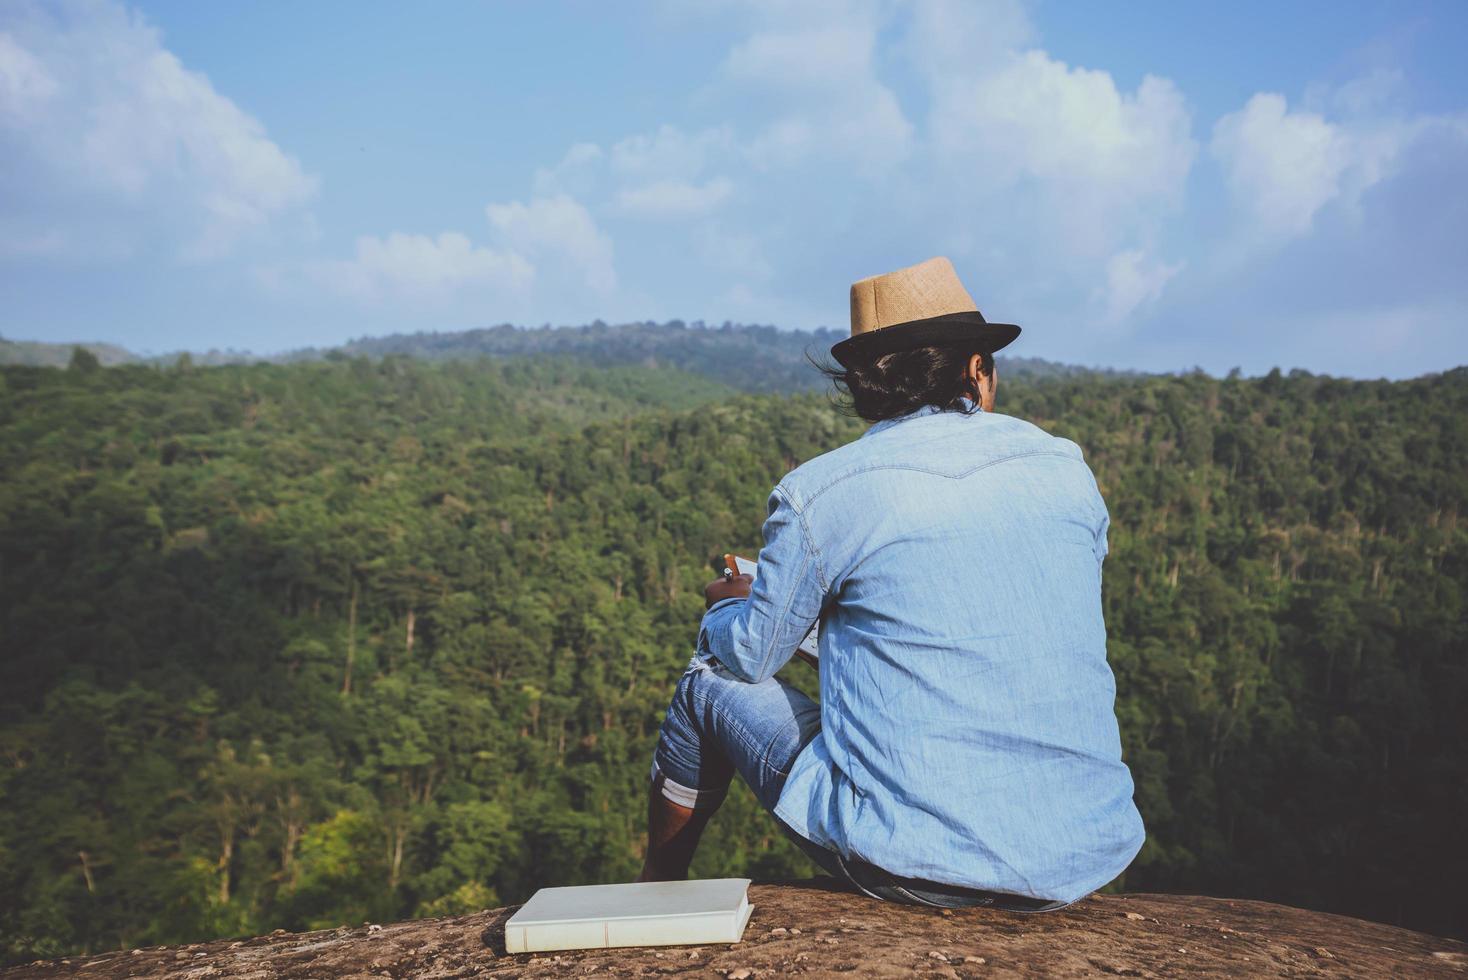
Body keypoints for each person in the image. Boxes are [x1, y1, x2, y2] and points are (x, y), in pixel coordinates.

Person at [637, 256, 1145, 911]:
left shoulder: (820, 492)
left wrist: (740, 610)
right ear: (975, 369)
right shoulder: (1065, 467)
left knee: (711, 673)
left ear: (865, 387)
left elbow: (753, 656)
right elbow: (976, 630)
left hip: (908, 863)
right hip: (1080, 858)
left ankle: (653, 889)